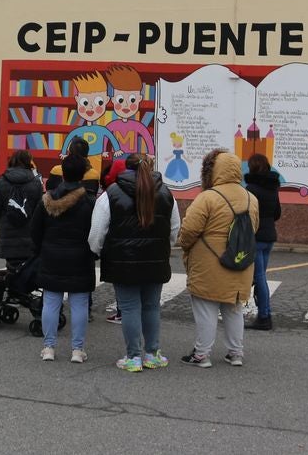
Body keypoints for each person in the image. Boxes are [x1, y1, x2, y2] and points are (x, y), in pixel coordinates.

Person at [89, 153, 179, 372]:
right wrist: (164, 247)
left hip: (123, 259)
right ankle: (152, 353)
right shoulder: (166, 192)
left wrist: (99, 251)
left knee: (129, 307)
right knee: (151, 306)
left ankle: (133, 357)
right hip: (156, 257)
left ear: (124, 169)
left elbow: (97, 230)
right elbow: (175, 227)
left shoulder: (111, 194)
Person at [178, 149, 259, 368]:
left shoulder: (208, 197)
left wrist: (184, 246)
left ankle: (201, 355)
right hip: (241, 261)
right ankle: (236, 353)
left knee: (206, 308)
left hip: (209, 263)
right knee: (234, 308)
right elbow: (255, 228)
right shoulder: (251, 198)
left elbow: (189, 231)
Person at [32, 154, 97, 363]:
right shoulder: (89, 201)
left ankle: (49, 347)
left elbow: (34, 231)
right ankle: (77, 350)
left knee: (51, 302)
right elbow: (96, 231)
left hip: (51, 255)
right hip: (80, 256)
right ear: (83, 174)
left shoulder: (47, 199)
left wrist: (42, 249)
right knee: (79, 304)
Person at [243, 153, 282, 331]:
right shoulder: (273, 187)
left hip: (256, 237)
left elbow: (246, 214)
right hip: (269, 237)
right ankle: (263, 314)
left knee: (259, 278)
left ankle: (264, 316)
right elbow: (277, 213)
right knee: (261, 277)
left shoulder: (251, 188)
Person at [0, 149, 43, 273]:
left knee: (11, 266)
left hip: (8, 230)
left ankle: (12, 287)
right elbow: (39, 209)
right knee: (27, 267)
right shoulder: (35, 182)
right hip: (29, 231)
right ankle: (22, 289)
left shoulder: (2, 180)